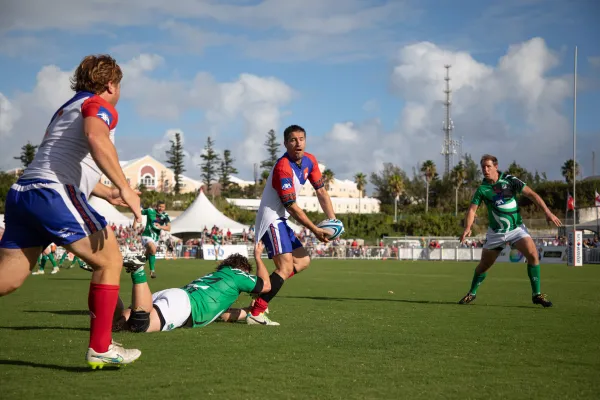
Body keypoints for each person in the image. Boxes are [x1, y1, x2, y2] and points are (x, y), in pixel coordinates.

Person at [0, 54, 143, 369]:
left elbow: (65, 159)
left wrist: (108, 192)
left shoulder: (66, 108)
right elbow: (96, 138)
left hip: (24, 194)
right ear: (110, 84)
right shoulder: (98, 105)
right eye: (119, 87)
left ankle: (102, 343)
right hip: (52, 194)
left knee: (7, 280)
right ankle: (101, 347)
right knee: (110, 259)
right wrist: (128, 188)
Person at [247, 124, 337, 325]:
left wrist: (333, 221)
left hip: (282, 219)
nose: (298, 143)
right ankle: (256, 311)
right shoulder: (282, 167)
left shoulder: (310, 161)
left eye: (302, 139)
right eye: (293, 140)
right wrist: (315, 229)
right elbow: (291, 206)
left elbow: (321, 192)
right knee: (286, 266)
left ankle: (264, 290)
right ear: (286, 143)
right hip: (271, 219)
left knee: (303, 261)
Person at [458, 154, 562, 307]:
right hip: (496, 233)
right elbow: (472, 210)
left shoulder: (510, 180)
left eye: (488, 166)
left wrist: (547, 212)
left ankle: (537, 294)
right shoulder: (482, 189)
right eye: (483, 167)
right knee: (484, 266)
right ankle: (472, 293)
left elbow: (532, 194)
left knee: (533, 254)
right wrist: (468, 227)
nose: (485, 170)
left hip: (516, 229)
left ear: (496, 167)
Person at [114, 242, 271, 333]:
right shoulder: (237, 274)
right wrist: (258, 257)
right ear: (242, 270)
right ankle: (138, 272)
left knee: (119, 323)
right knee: (140, 325)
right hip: (185, 305)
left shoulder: (219, 281)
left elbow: (224, 315)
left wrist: (249, 311)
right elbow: (266, 285)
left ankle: (109, 283)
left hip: (174, 295)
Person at [135, 201, 170, 279]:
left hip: (155, 239)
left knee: (149, 252)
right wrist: (136, 218)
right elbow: (139, 212)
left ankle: (140, 263)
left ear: (165, 208)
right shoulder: (150, 211)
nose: (161, 208)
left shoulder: (165, 216)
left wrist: (161, 227)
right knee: (153, 249)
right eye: (159, 206)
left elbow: (168, 228)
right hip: (146, 235)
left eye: (163, 207)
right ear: (156, 206)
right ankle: (152, 271)